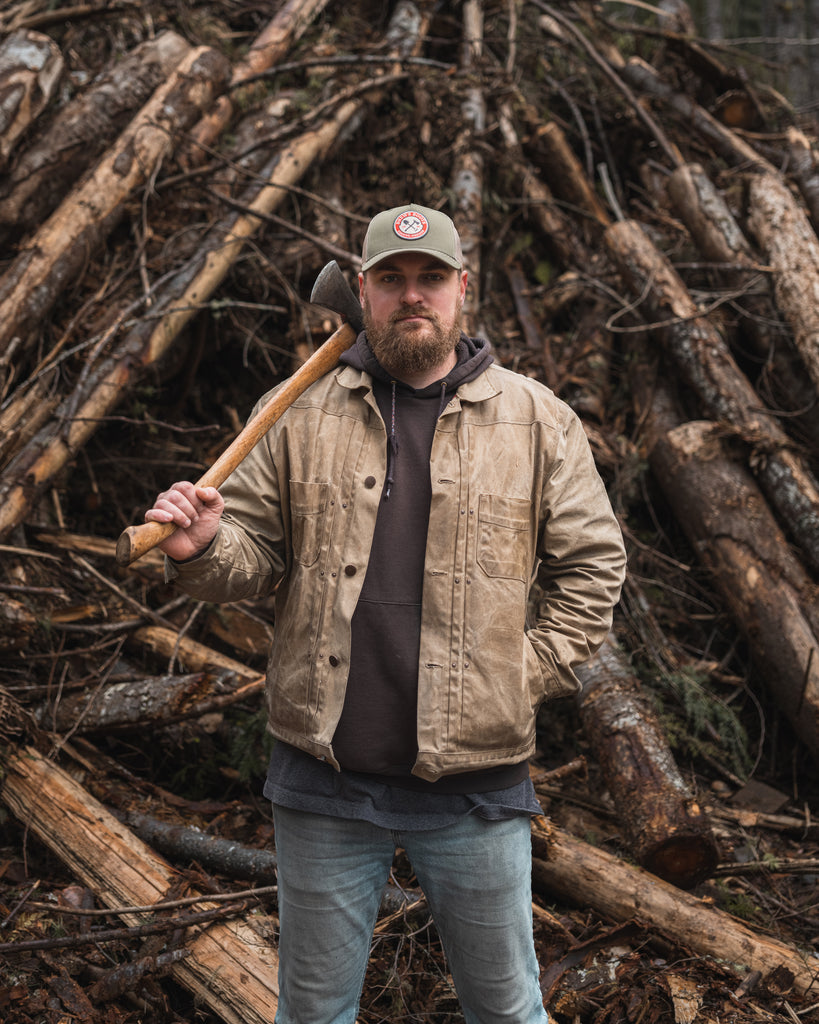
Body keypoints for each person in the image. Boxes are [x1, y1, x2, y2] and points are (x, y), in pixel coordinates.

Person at [145, 203, 627, 1023]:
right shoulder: (296, 409)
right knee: (313, 1014)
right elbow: (253, 559)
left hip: (475, 783)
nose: (414, 296)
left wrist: (519, 675)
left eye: (430, 278)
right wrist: (199, 549)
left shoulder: (536, 419)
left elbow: (593, 567)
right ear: (362, 291)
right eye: (392, 279)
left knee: (507, 1011)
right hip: (325, 777)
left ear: (461, 289)